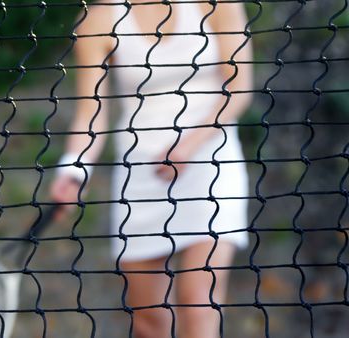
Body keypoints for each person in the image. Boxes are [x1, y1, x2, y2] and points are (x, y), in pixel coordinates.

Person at [50, 1, 253, 338]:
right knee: (147, 323)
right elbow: (91, 113)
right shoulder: (97, 20)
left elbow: (239, 88)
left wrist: (187, 147)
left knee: (198, 304)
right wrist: (73, 172)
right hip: (140, 177)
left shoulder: (218, 4)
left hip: (211, 167)